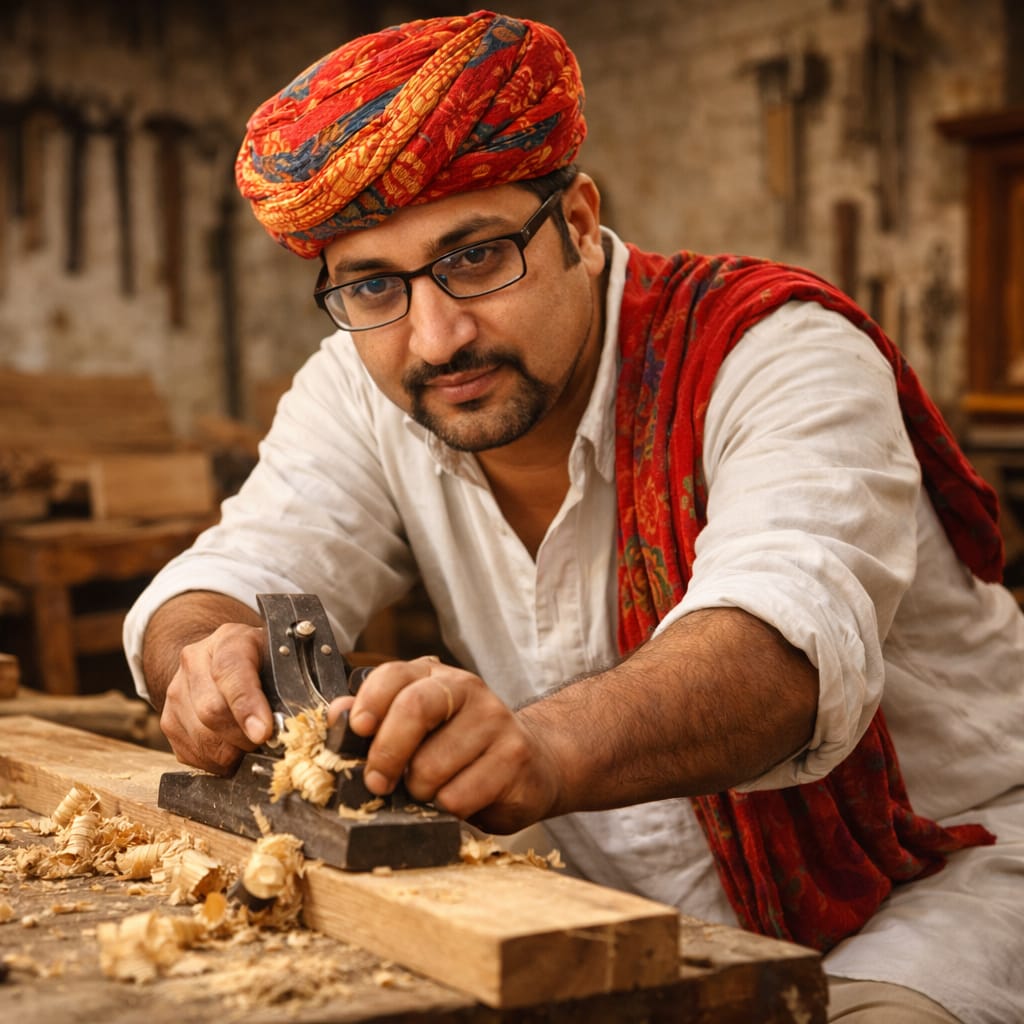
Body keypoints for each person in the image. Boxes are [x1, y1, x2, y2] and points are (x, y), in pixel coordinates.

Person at [124, 11, 1023, 1023]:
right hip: (609, 907)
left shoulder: (777, 353)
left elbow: (782, 648)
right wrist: (199, 655)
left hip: (926, 891)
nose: (436, 334)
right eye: (372, 284)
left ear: (581, 222)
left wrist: (540, 749)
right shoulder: (362, 384)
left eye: (476, 256)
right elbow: (234, 566)